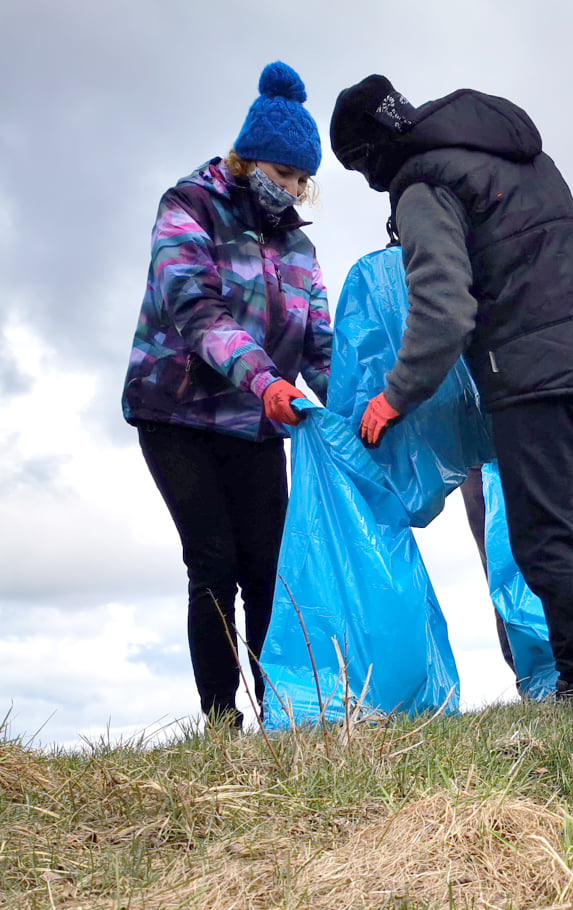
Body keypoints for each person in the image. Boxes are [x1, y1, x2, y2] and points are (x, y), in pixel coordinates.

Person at [328, 76, 573, 712]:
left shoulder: (424, 185)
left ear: (370, 153)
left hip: (535, 377)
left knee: (549, 538)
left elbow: (444, 310)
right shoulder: (516, 153)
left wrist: (394, 397)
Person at [122, 62, 331, 731]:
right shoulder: (187, 205)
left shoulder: (298, 247)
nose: (294, 190)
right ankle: (220, 722)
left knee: (268, 567)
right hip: (176, 411)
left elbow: (320, 342)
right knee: (213, 560)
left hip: (257, 421)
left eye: (303, 180)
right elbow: (195, 308)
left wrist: (358, 412)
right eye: (287, 174)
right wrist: (265, 378)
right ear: (251, 159)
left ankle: (280, 715)